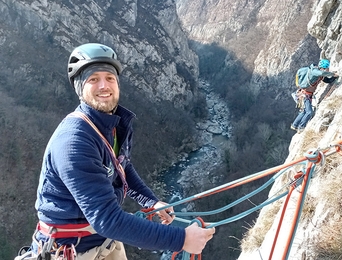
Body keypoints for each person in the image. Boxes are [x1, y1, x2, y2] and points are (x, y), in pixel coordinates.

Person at [20, 43, 215, 260]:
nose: (104, 85)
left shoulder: (110, 126)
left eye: (110, 78)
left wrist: (150, 201)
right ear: (79, 87)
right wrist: (181, 239)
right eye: (93, 79)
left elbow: (122, 167)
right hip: (73, 251)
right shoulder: (74, 142)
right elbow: (107, 219)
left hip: (101, 242)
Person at [291, 59, 338, 133]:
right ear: (324, 67)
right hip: (304, 95)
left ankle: (295, 125)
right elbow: (322, 73)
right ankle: (301, 127)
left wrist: (334, 78)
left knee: (304, 111)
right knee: (309, 112)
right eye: (327, 68)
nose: (328, 69)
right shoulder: (315, 71)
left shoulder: (318, 75)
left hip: (305, 95)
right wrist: (332, 74)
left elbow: (327, 80)